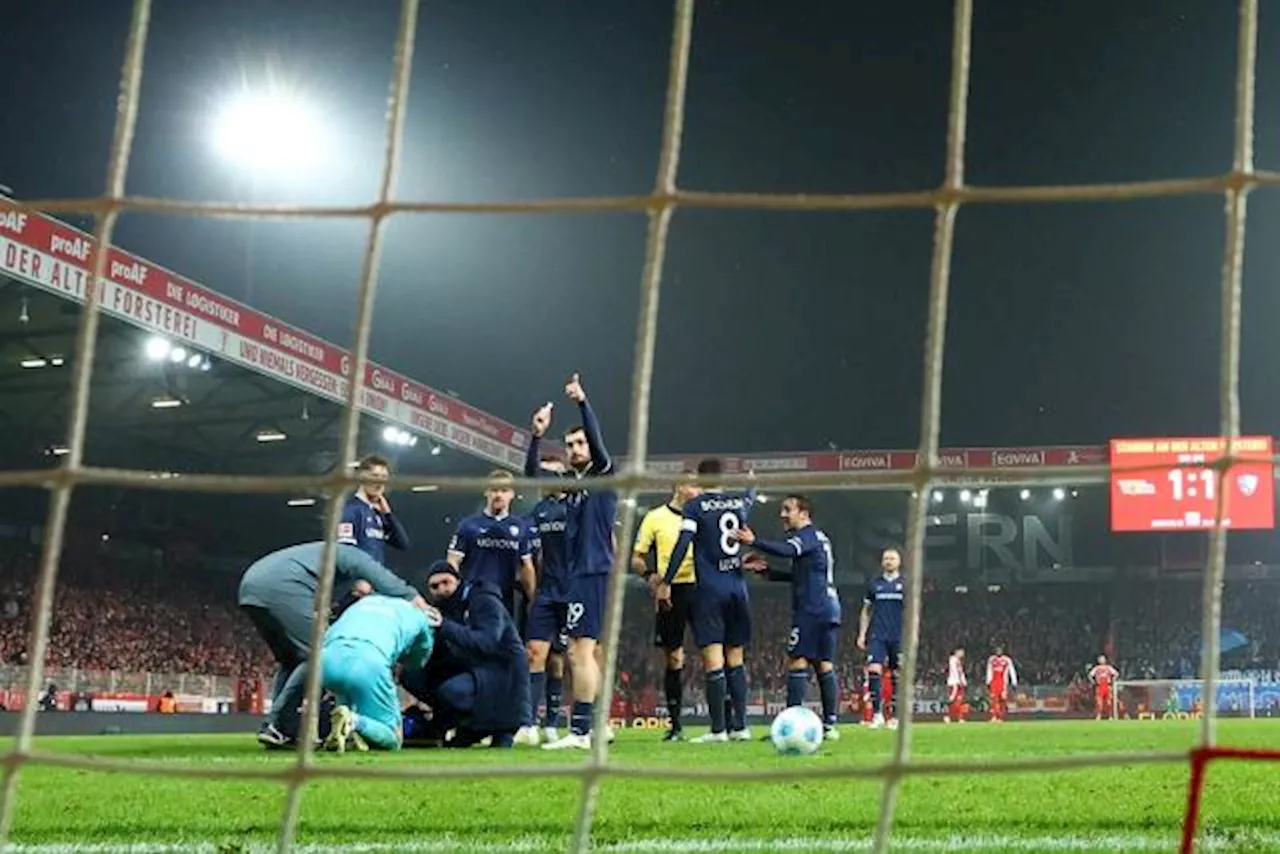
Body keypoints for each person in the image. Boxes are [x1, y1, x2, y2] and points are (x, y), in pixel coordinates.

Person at [237, 541, 426, 748]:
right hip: (281, 586)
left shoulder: (317, 556)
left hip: (250, 588)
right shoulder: (349, 553)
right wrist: (411, 596)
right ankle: (275, 724)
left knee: (291, 660)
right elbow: (378, 575)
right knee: (319, 654)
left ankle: (282, 730)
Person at [524, 373, 619, 751]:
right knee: (582, 651)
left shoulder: (603, 475)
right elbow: (532, 474)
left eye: (580, 442)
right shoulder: (571, 484)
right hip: (580, 574)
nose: (576, 448)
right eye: (570, 444)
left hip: (592, 572)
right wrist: (535, 436)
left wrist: (583, 401)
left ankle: (581, 731)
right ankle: (590, 727)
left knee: (582, 651)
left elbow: (598, 443)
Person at [657, 458, 755, 742]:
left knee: (714, 659)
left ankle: (718, 730)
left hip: (710, 589)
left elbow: (683, 543)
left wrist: (666, 581)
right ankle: (741, 727)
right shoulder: (737, 504)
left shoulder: (695, 507)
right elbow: (749, 499)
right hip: (738, 588)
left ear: (700, 480)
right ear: (723, 478)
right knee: (735, 658)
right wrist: (750, 482)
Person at [736, 494, 842, 739]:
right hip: (828, 605)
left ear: (803, 514)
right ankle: (829, 725)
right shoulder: (817, 538)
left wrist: (754, 541)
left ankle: (790, 726)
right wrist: (768, 573)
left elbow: (786, 550)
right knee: (823, 663)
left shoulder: (806, 536)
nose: (782, 514)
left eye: (788, 509)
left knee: (797, 661)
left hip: (812, 608)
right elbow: (801, 576)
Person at [402, 561, 531, 748]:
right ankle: (447, 726)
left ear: (458, 580)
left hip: (502, 674)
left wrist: (444, 625)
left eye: (446, 582)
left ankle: (484, 728)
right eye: (435, 586)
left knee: (452, 691)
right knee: (412, 675)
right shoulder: (442, 610)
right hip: (472, 669)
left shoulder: (484, 600)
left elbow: (487, 643)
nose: (442, 589)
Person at [322, 593, 440, 752]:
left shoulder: (362, 604)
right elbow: (418, 661)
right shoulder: (419, 617)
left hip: (327, 659)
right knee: (394, 738)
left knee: (344, 704)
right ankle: (354, 722)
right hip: (369, 661)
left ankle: (347, 732)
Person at [631, 476, 700, 741]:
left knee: (713, 651)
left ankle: (725, 724)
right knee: (674, 657)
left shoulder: (702, 515)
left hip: (701, 587)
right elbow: (637, 557)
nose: (697, 491)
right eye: (693, 486)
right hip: (671, 591)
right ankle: (676, 725)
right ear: (679, 488)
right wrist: (650, 576)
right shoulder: (655, 517)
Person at [515, 459, 571, 746]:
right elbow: (533, 558)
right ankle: (528, 723)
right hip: (546, 593)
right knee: (534, 653)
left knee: (558, 660)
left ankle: (551, 722)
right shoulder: (539, 512)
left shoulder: (577, 507)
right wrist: (533, 593)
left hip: (571, 592)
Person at [447, 471, 537, 618]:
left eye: (504, 490)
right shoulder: (468, 525)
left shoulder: (520, 527)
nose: (498, 495)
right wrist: (455, 594)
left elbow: (527, 567)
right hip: (473, 599)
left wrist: (533, 599)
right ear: (486, 492)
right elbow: (452, 562)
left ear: (512, 494)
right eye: (494, 490)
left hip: (505, 601)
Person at [857, 547, 904, 730]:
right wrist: (862, 634)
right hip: (878, 635)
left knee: (897, 674)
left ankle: (895, 717)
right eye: (886, 558)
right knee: (874, 670)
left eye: (892, 558)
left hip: (898, 636)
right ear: (882, 562)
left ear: (898, 562)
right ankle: (877, 715)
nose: (889, 561)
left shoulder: (905, 585)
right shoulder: (874, 584)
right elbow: (866, 611)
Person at [337, 454, 411, 563]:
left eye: (384, 477)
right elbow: (345, 553)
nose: (379, 483)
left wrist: (388, 514)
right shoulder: (350, 510)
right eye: (374, 476)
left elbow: (402, 543)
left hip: (375, 577)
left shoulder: (378, 514)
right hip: (358, 578)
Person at [986, 645, 1017, 723]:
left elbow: (1011, 670)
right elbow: (989, 670)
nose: (998, 651)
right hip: (994, 682)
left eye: (1000, 650)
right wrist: (988, 681)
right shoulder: (991, 659)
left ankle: (1001, 717)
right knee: (994, 699)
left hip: (1003, 682)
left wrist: (1014, 681)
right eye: (997, 650)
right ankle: (994, 716)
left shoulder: (1007, 660)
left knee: (1002, 699)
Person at [1089, 654, 1119, 721]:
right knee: (1099, 702)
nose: (1102, 660)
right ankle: (1099, 715)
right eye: (1100, 659)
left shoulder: (1108, 667)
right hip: (1099, 686)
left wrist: (1113, 680)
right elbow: (1090, 675)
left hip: (1107, 686)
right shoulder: (1096, 668)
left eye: (1103, 659)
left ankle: (1110, 716)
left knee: (1109, 702)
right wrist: (1093, 681)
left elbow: (1116, 674)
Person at [944, 647, 967, 723]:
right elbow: (954, 671)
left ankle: (960, 717)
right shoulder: (953, 659)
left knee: (959, 701)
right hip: (954, 683)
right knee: (953, 700)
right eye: (961, 651)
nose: (963, 653)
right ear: (956, 652)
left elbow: (961, 672)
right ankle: (948, 716)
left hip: (959, 683)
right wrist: (958, 682)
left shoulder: (959, 661)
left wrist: (963, 682)